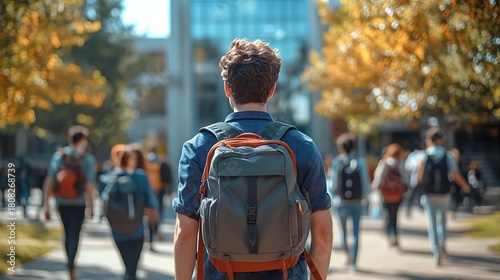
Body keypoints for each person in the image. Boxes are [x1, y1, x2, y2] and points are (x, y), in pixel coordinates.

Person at [172, 38, 332, 280]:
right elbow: (323, 233)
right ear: (272, 89)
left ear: (227, 88)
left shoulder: (198, 147)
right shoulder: (302, 146)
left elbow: (185, 233)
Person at [42, 125, 96, 280]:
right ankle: (72, 265)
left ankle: (70, 264)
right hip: (79, 203)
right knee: (75, 234)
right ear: (83, 140)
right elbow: (89, 186)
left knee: (67, 233)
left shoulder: (59, 156)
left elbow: (50, 180)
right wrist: (91, 206)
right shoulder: (87, 159)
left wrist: (46, 205)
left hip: (61, 202)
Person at [417, 127, 470, 266]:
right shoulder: (447, 156)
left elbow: (420, 178)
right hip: (444, 194)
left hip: (429, 195)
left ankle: (436, 252)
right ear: (440, 140)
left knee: (432, 224)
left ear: (428, 140)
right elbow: (455, 174)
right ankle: (442, 243)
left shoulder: (423, 156)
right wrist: (465, 185)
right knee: (442, 222)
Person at [104, 144, 159, 280]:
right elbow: (151, 202)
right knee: (133, 268)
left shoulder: (111, 176)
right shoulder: (141, 176)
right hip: (137, 228)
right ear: (132, 160)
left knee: (126, 265)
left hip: (117, 229)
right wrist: (154, 223)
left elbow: (104, 199)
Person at [329, 132, 371, 272]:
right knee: (356, 233)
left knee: (343, 233)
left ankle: (346, 255)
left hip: (341, 202)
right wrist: (366, 198)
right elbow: (365, 184)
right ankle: (354, 263)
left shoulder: (337, 162)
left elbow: (332, 184)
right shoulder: (360, 162)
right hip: (357, 202)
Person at [371, 143, 407, 247]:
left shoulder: (384, 163)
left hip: (386, 194)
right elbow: (405, 178)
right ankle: (395, 235)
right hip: (397, 195)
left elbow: (378, 179)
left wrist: (376, 189)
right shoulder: (400, 164)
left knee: (387, 216)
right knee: (394, 216)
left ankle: (389, 236)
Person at [404, 148, 426, 218]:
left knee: (423, 195)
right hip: (413, 179)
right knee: (411, 195)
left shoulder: (424, 155)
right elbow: (407, 168)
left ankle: (422, 208)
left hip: (423, 179)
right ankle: (408, 209)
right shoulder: (412, 156)